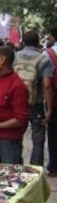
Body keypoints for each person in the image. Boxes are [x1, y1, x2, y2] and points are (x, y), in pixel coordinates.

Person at [15, 31, 54, 166]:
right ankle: (35, 170)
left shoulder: (14, 57)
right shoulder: (44, 59)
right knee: (37, 139)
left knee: (16, 136)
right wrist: (49, 109)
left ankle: (16, 166)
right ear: (38, 41)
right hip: (36, 104)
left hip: (18, 104)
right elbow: (47, 85)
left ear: (23, 42)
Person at [45, 25, 57, 177]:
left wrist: (49, 108)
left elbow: (47, 84)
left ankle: (54, 166)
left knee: (54, 134)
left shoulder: (49, 54)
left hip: (55, 100)